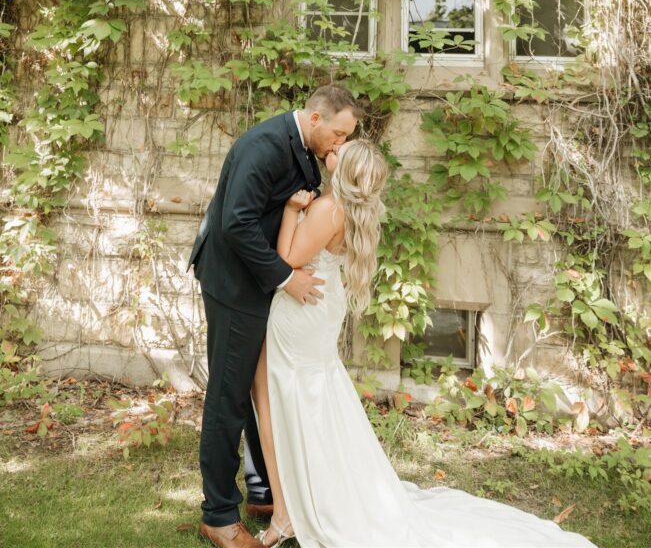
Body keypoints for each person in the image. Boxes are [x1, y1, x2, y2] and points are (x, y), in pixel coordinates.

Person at [251, 139, 598, 548]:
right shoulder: (351, 209)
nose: (336, 149)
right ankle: (301, 497)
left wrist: (292, 211)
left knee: (279, 397)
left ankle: (288, 511)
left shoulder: (328, 209)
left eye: (342, 151)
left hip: (302, 309)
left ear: (345, 171)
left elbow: (286, 258)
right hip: (323, 304)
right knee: (314, 399)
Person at [187, 85, 363, 548]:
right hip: (234, 285)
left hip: (262, 283)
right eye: (339, 134)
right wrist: (287, 278)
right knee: (229, 396)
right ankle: (219, 516)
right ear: (315, 117)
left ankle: (265, 488)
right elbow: (236, 222)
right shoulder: (262, 146)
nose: (340, 144)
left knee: (262, 386)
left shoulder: (307, 148)